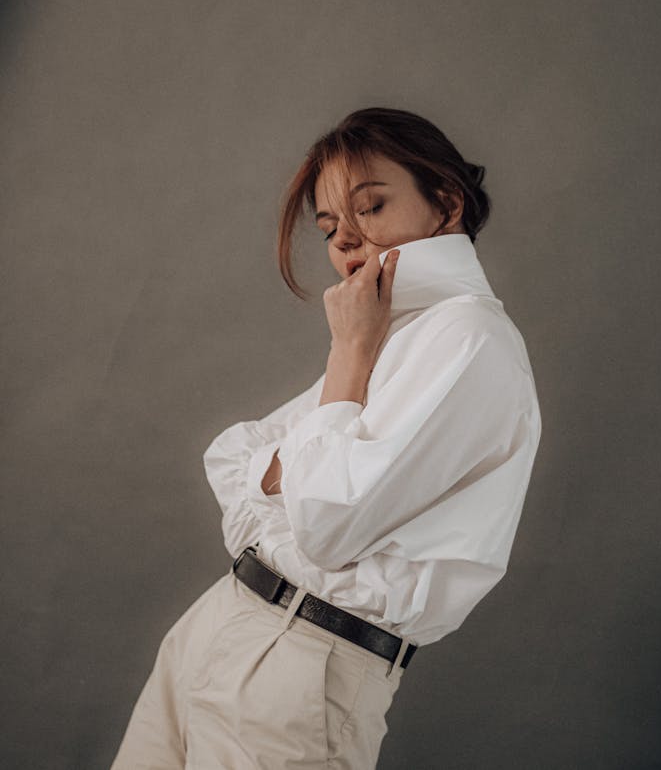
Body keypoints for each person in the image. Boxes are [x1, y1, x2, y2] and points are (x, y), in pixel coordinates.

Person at [110, 106, 541, 770]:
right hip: (216, 627)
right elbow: (230, 456)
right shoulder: (393, 331)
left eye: (370, 206)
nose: (346, 241)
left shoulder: (467, 339)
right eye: (330, 225)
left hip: (303, 670)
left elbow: (326, 523)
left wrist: (345, 358)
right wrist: (296, 473)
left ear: (446, 203)